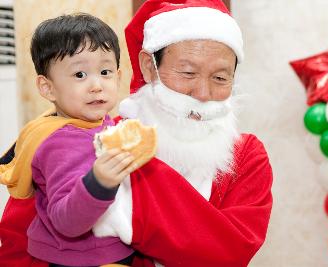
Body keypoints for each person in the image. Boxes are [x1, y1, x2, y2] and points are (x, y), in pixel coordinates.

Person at [0, 1, 273, 267]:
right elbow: (18, 240)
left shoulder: (247, 156)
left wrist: (131, 191)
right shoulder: (94, 137)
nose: (203, 94)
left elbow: (226, 252)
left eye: (221, 78)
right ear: (148, 67)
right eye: (188, 72)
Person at [0, 13, 138, 266]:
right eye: (80, 75)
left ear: (118, 77)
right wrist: (100, 182)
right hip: (84, 259)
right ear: (48, 88)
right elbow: (68, 222)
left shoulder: (101, 123)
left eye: (105, 71)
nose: (97, 85)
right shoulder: (60, 144)